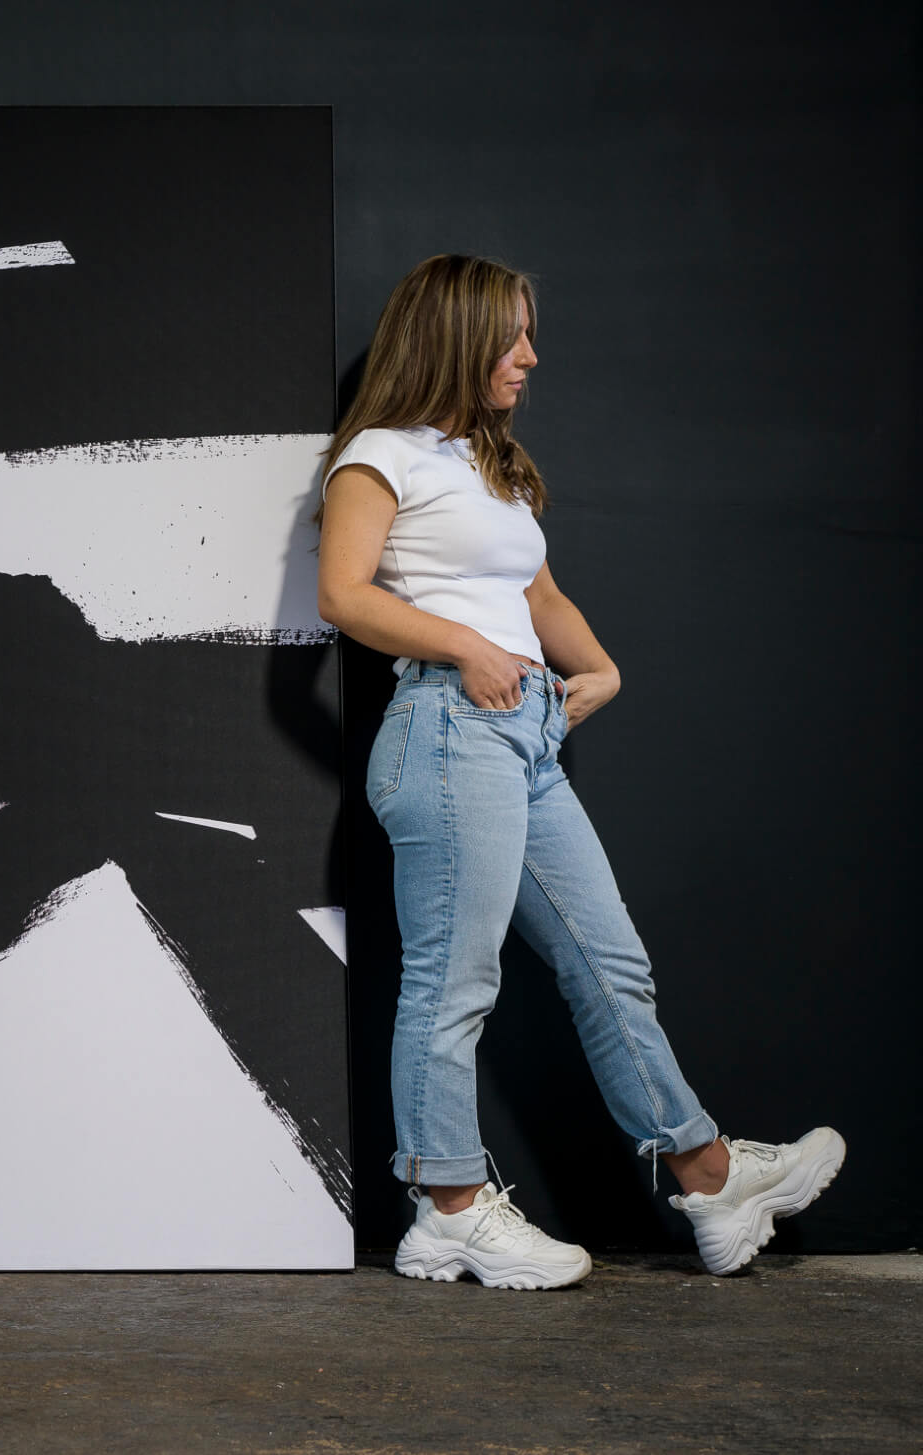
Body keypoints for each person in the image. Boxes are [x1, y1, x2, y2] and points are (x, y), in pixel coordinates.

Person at [314, 254, 844, 1289]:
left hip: (521, 738)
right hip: (445, 729)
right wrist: (465, 649)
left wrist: (594, 668)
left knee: (611, 965)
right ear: (457, 337)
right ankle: (447, 1206)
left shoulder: (486, 462)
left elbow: (536, 591)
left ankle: (706, 1176)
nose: (529, 356)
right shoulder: (379, 457)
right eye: (511, 337)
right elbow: (343, 593)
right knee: (452, 979)